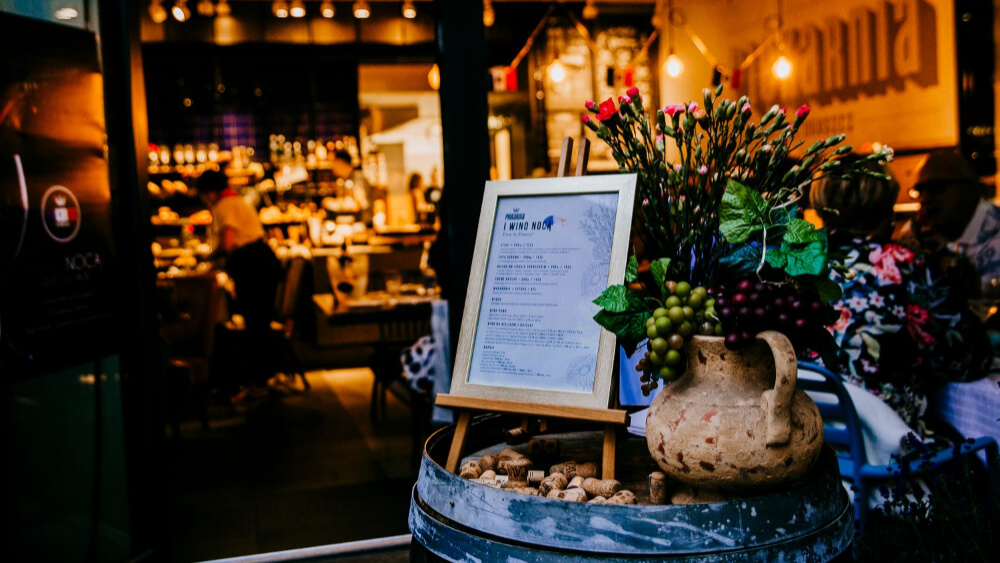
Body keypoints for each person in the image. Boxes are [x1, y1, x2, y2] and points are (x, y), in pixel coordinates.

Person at [809, 154, 992, 433]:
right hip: (890, 445)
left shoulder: (797, 266)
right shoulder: (903, 265)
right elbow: (966, 361)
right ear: (885, 208)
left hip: (820, 443)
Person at [199, 167, 284, 400]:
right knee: (259, 322)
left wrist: (208, 258)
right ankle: (264, 380)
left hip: (253, 265)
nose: (205, 200)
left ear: (211, 192)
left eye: (204, 195)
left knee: (256, 323)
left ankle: (260, 383)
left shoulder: (225, 205)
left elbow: (228, 243)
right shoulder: (235, 201)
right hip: (260, 262)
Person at [906, 149, 1000, 293]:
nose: (925, 199)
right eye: (920, 191)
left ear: (970, 190)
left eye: (937, 188)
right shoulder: (916, 233)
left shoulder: (996, 234)